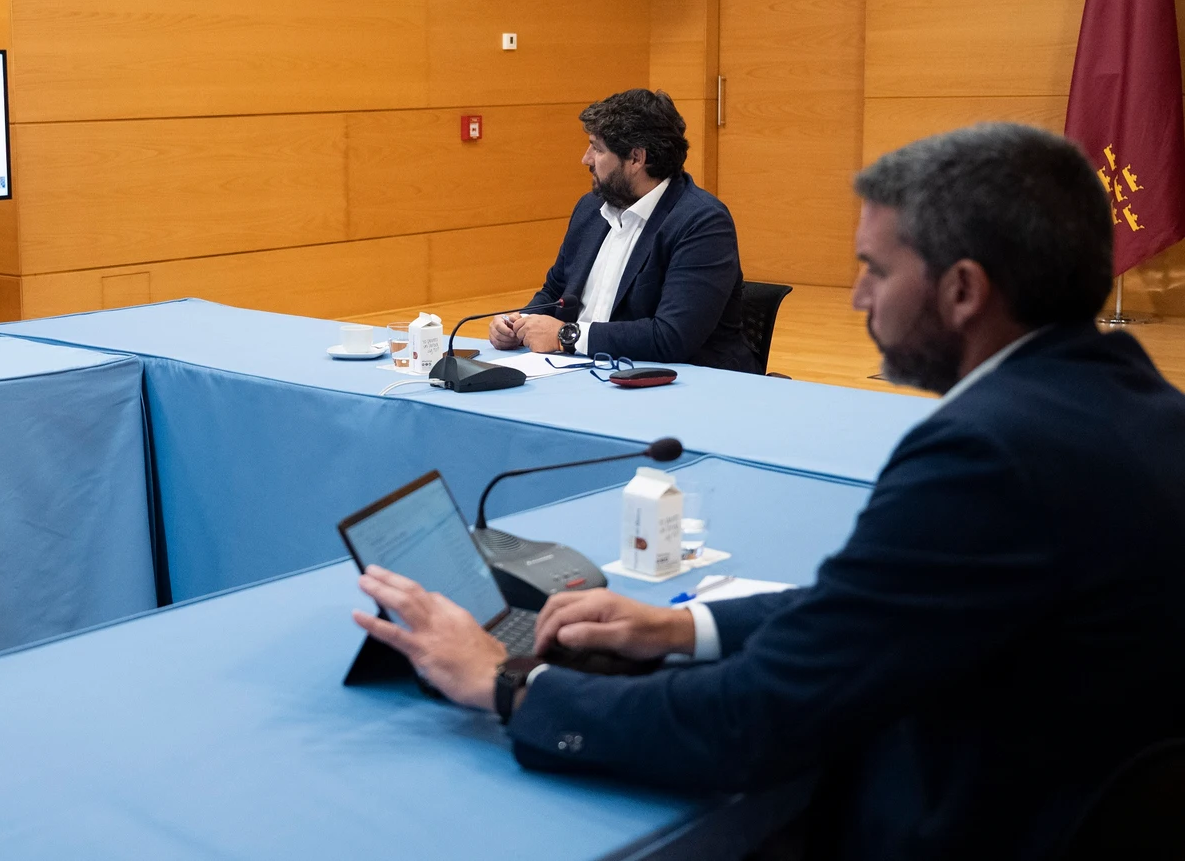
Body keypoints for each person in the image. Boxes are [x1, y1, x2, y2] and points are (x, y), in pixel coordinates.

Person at [355, 123, 1185, 860]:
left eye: (874, 269)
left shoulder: (988, 458)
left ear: (963, 289)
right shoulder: (1133, 403)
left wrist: (507, 682)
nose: (857, 297)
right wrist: (684, 625)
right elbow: (877, 610)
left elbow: (750, 721)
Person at [490, 89, 757, 372]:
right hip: (582, 373)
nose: (586, 159)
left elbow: (672, 337)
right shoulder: (591, 209)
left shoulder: (701, 222)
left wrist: (566, 335)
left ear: (636, 159)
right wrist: (519, 323)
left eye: (598, 148)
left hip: (675, 386)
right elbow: (556, 291)